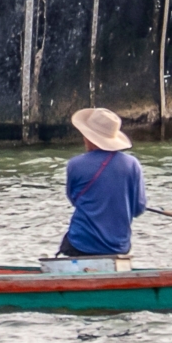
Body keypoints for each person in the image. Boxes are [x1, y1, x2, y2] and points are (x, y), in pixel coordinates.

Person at [58, 107, 147, 258]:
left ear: (89, 137)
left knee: (68, 244)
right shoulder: (133, 165)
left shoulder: (75, 164)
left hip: (81, 244)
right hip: (119, 247)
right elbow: (139, 208)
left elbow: (74, 199)